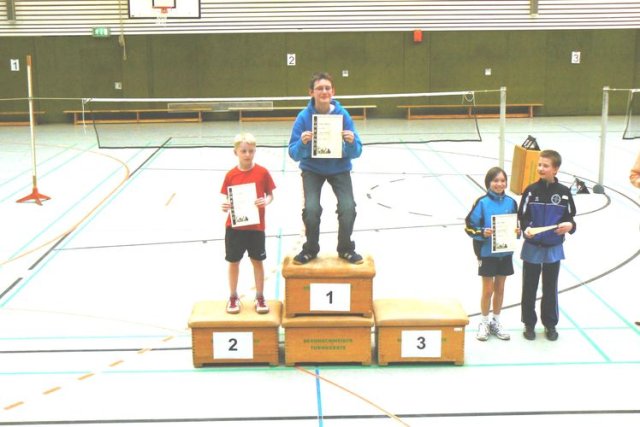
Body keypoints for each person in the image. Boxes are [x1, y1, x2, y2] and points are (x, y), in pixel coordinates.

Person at [288, 71, 363, 265]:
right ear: (311, 92)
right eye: (319, 88)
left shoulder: (343, 115)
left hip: (339, 168)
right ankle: (310, 249)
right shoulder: (303, 117)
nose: (324, 91)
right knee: (311, 209)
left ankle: (345, 248)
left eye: (327, 88)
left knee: (348, 208)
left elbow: (357, 151)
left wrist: (351, 142)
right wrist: (303, 143)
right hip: (312, 169)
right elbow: (293, 153)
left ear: (333, 91)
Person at [518, 150, 576, 341]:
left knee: (550, 287)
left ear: (556, 169)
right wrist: (526, 228)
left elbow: (570, 218)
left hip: (553, 248)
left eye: (545, 165)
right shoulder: (530, 191)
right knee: (529, 287)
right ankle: (529, 323)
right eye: (539, 165)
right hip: (532, 247)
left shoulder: (564, 193)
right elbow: (523, 216)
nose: (541, 168)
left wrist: (570, 226)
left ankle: (550, 324)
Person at [220, 132, 276, 314]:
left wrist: (265, 201)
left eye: (251, 151)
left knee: (257, 262)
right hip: (234, 228)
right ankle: (233, 296)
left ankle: (260, 296)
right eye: (243, 151)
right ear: (235, 152)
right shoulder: (231, 175)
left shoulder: (262, 172)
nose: (247, 154)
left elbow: (270, 195)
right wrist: (225, 206)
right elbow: (227, 199)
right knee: (233, 262)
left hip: (256, 228)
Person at [465, 167, 519, 341]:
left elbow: (515, 225)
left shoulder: (511, 202)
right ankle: (484, 322)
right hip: (486, 253)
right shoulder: (481, 203)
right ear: (488, 183)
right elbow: (469, 227)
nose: (499, 184)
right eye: (496, 181)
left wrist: (517, 231)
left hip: (505, 252)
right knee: (488, 290)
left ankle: (496, 321)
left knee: (500, 288)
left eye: (502, 181)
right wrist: (482, 232)